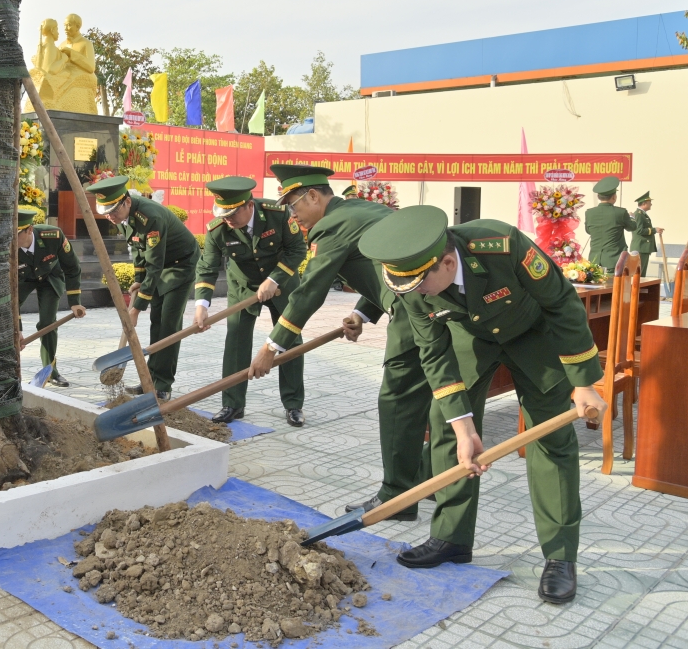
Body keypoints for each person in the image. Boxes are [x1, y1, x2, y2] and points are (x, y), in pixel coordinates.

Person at [358, 205, 607, 604]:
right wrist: (464, 425)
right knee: (445, 426)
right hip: (470, 338)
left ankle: (560, 557)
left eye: (422, 284)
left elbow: (562, 302)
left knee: (553, 441)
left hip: (533, 333)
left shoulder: (500, 245)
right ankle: (451, 538)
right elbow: (433, 352)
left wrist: (584, 383)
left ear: (448, 261)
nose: (417, 294)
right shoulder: (413, 281)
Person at [247, 165, 433, 518]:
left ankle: (397, 497)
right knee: (438, 398)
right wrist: (363, 314)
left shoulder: (331, 225)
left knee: (397, 400)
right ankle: (435, 480)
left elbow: (309, 291)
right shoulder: (363, 209)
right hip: (429, 306)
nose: (293, 215)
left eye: (294, 206)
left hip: (414, 316)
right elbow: (386, 267)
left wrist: (271, 348)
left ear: (314, 196)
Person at [192, 176, 306, 425]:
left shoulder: (277, 214)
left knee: (290, 341)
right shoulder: (218, 229)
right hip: (242, 287)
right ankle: (232, 404)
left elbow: (297, 250)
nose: (228, 220)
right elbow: (207, 268)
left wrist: (274, 279)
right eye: (224, 214)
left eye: (232, 213)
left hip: (282, 285)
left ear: (249, 206)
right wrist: (202, 305)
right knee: (235, 342)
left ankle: (293, 404)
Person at [88, 175, 198, 400]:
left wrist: (136, 308)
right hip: (160, 265)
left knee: (168, 325)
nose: (110, 217)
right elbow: (138, 251)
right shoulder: (124, 218)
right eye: (106, 212)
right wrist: (139, 280)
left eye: (113, 211)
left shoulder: (150, 217)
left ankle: (163, 387)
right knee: (156, 324)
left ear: (127, 202)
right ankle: (150, 382)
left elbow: (155, 265)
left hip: (179, 267)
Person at [15, 206, 86, 385]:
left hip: (49, 277)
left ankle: (51, 371)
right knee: (11, 324)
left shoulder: (52, 236)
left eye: (16, 234)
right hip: (21, 280)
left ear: (29, 229)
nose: (11, 239)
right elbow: (10, 298)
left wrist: (75, 302)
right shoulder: (7, 248)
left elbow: (72, 267)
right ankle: (11, 373)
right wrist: (18, 329)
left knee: (48, 323)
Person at [584, 175, 635, 273]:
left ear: (598, 196)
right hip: (614, 261)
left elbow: (588, 230)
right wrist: (632, 218)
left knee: (597, 287)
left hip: (594, 260)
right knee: (615, 287)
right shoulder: (621, 212)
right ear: (614, 197)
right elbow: (632, 227)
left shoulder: (589, 212)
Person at [630, 192, 661, 273]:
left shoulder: (642, 214)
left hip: (643, 247)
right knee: (639, 273)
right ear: (644, 204)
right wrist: (654, 230)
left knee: (641, 272)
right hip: (641, 247)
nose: (651, 204)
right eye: (650, 203)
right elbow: (639, 230)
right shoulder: (639, 214)